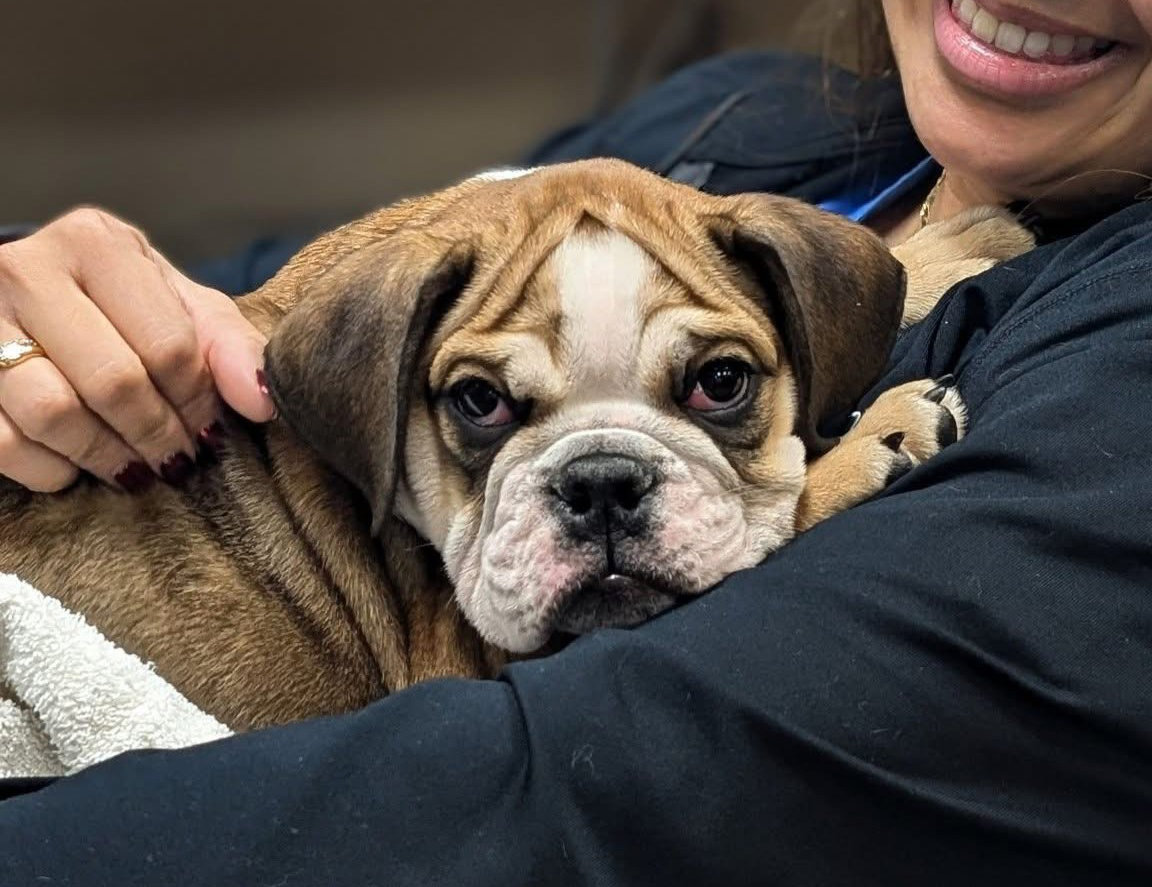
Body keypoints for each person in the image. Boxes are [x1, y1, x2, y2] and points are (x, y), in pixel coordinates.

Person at [2, 0, 1152, 882]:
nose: (599, 485)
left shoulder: (1116, 371)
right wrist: (52, 322)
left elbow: (583, 778)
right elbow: (252, 303)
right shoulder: (744, 115)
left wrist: (800, 505)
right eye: (488, 406)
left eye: (714, 382)